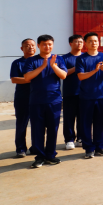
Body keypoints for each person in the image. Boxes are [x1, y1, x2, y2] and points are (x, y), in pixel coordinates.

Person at [23, 34, 67, 168]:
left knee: (53, 129)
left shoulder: (58, 59)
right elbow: (27, 78)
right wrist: (42, 66)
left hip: (54, 101)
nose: (47, 47)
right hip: (36, 101)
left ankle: (50, 155)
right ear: (39, 45)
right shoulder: (32, 61)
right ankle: (39, 157)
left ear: (52, 45)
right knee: (37, 129)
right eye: (44, 44)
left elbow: (63, 75)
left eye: (50, 44)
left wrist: (53, 66)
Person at [76, 32, 103, 158]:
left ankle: (99, 147)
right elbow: (81, 76)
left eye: (96, 41)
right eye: (91, 41)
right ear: (86, 43)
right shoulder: (81, 59)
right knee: (86, 123)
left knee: (100, 123)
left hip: (101, 96)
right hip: (86, 97)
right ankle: (88, 148)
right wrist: (95, 70)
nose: (94, 43)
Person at [10, 38, 36, 158]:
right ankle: (20, 148)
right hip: (22, 98)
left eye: (32, 45)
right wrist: (30, 79)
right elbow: (14, 79)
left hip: (38, 97)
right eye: (27, 45)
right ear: (22, 48)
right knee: (22, 124)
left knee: (38, 124)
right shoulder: (17, 63)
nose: (30, 47)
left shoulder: (40, 61)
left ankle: (36, 147)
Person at [62, 34, 84, 150]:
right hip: (70, 92)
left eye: (81, 42)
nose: (79, 44)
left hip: (84, 92)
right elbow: (63, 74)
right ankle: (69, 139)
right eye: (76, 42)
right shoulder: (64, 58)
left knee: (83, 117)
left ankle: (81, 138)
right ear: (70, 44)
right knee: (69, 117)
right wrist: (77, 67)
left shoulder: (86, 56)